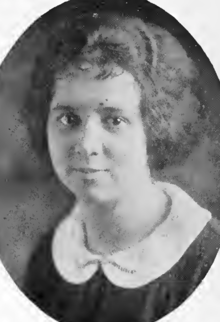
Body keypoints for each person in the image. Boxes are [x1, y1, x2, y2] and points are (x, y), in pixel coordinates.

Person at [21, 6, 220, 322]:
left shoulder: (204, 261)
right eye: (68, 119)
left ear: (155, 128)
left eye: (114, 119)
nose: (86, 146)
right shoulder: (51, 256)